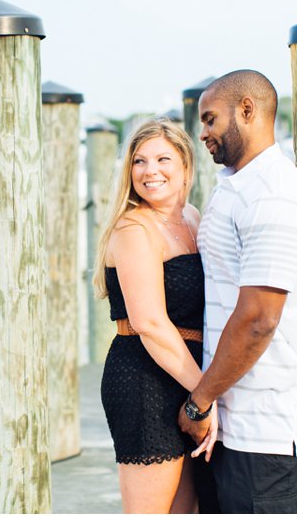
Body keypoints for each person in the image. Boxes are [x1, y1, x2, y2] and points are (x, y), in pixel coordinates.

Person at [178, 69, 297, 513]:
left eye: (210, 119)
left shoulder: (274, 195)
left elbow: (258, 319)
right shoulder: (237, 186)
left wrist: (198, 402)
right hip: (232, 423)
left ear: (246, 110)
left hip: (268, 429)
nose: (202, 132)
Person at [93, 118, 220, 514]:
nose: (151, 171)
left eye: (163, 159)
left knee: (186, 509)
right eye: (140, 161)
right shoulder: (134, 228)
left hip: (186, 374)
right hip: (144, 379)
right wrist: (205, 395)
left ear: (186, 166)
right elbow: (148, 322)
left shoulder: (195, 219)